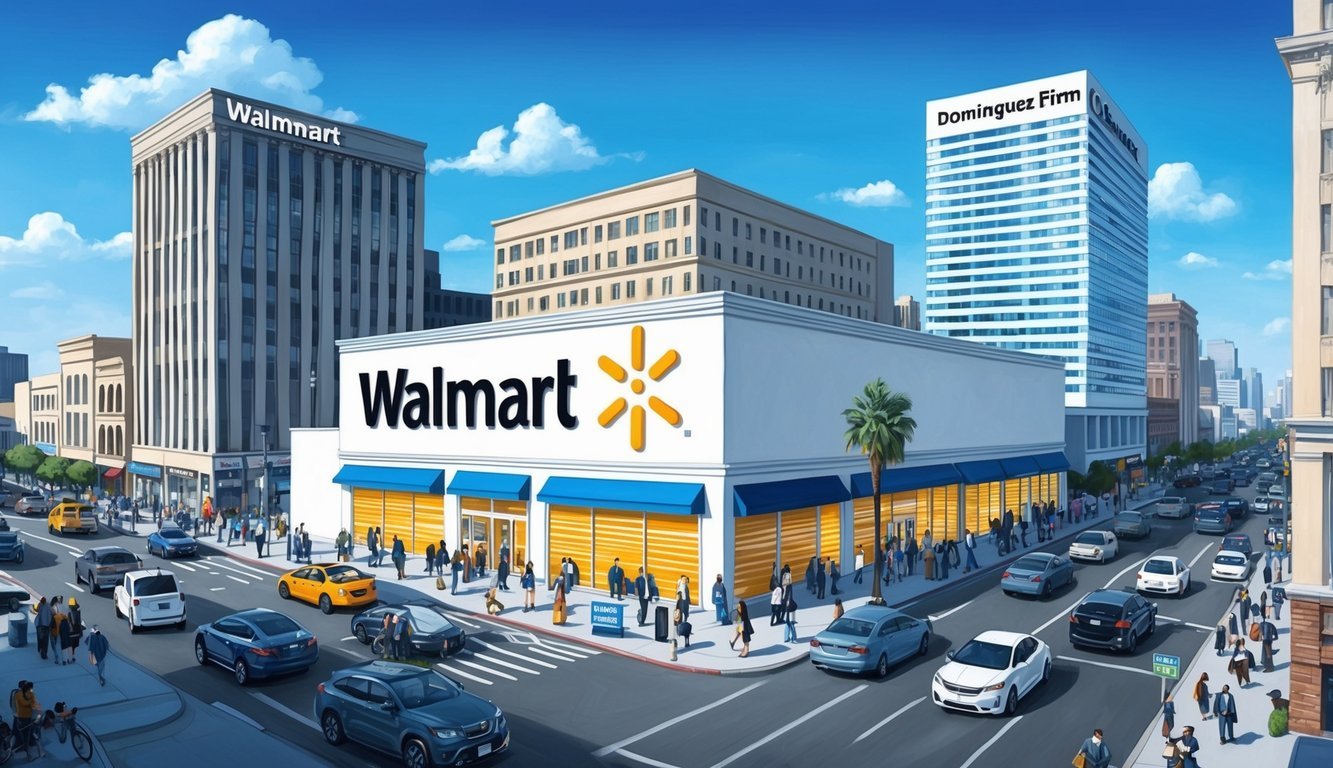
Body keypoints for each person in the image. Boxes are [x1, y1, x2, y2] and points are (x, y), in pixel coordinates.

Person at [13, 680, 43, 760]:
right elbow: (26, 703)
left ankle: (25, 748)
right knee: (25, 735)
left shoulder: (20, 693)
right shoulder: (19, 694)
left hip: (21, 717)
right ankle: (27, 753)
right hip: (23, 717)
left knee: (24, 733)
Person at [65, 597, 83, 665]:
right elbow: (79, 622)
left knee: (70, 646)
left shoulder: (67, 612)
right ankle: (72, 657)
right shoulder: (77, 612)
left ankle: (69, 659)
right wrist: (81, 633)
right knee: (74, 647)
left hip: (70, 633)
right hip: (77, 633)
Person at [34, 596, 51, 661]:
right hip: (46, 625)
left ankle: (40, 649)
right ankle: (44, 653)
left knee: (40, 638)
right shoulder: (48, 605)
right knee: (45, 640)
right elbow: (52, 612)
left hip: (40, 624)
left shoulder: (39, 604)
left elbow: (37, 610)